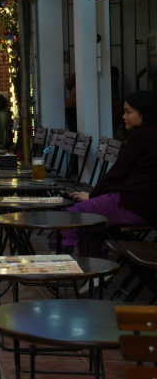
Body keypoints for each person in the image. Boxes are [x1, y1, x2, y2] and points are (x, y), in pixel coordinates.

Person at [56, 91, 157, 257]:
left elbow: (117, 172)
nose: (124, 116)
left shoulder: (141, 136)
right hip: (146, 206)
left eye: (129, 112)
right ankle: (94, 273)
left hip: (134, 204)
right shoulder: (150, 135)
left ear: (144, 112)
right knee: (90, 228)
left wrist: (93, 196)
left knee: (72, 217)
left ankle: (56, 261)